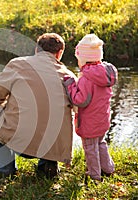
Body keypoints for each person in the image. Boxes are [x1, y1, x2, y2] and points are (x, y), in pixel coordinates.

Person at [0, 33, 76, 178]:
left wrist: (7, 104)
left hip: (19, 140)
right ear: (60, 53)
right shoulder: (69, 76)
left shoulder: (18, 64)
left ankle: (5, 169)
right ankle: (47, 166)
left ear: (36, 50)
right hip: (51, 145)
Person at [63, 33, 117, 181]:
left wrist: (70, 85)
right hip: (103, 118)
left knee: (90, 148)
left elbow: (80, 100)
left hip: (89, 121)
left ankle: (95, 175)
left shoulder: (87, 78)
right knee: (101, 143)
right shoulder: (104, 74)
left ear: (82, 59)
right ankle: (108, 168)